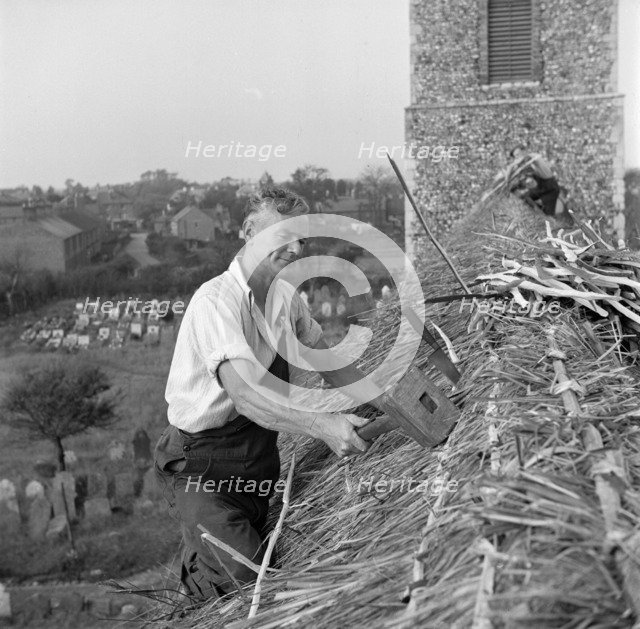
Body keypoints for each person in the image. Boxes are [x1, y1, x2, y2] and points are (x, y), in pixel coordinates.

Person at [154, 187, 386, 600]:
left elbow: (327, 362)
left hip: (258, 460)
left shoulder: (286, 299)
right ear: (247, 230)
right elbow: (245, 396)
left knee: (263, 549)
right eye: (283, 235)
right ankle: (195, 584)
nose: (295, 247)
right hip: (201, 467)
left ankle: (215, 548)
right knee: (250, 580)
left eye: (301, 237)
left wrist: (384, 398)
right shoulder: (216, 302)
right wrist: (324, 425)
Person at [508, 145, 565, 217]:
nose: (518, 157)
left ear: (524, 151)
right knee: (525, 196)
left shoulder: (532, 156)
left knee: (548, 214)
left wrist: (512, 166)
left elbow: (525, 160)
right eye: (516, 156)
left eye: (519, 154)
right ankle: (537, 211)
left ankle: (544, 214)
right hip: (543, 186)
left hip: (549, 186)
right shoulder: (524, 162)